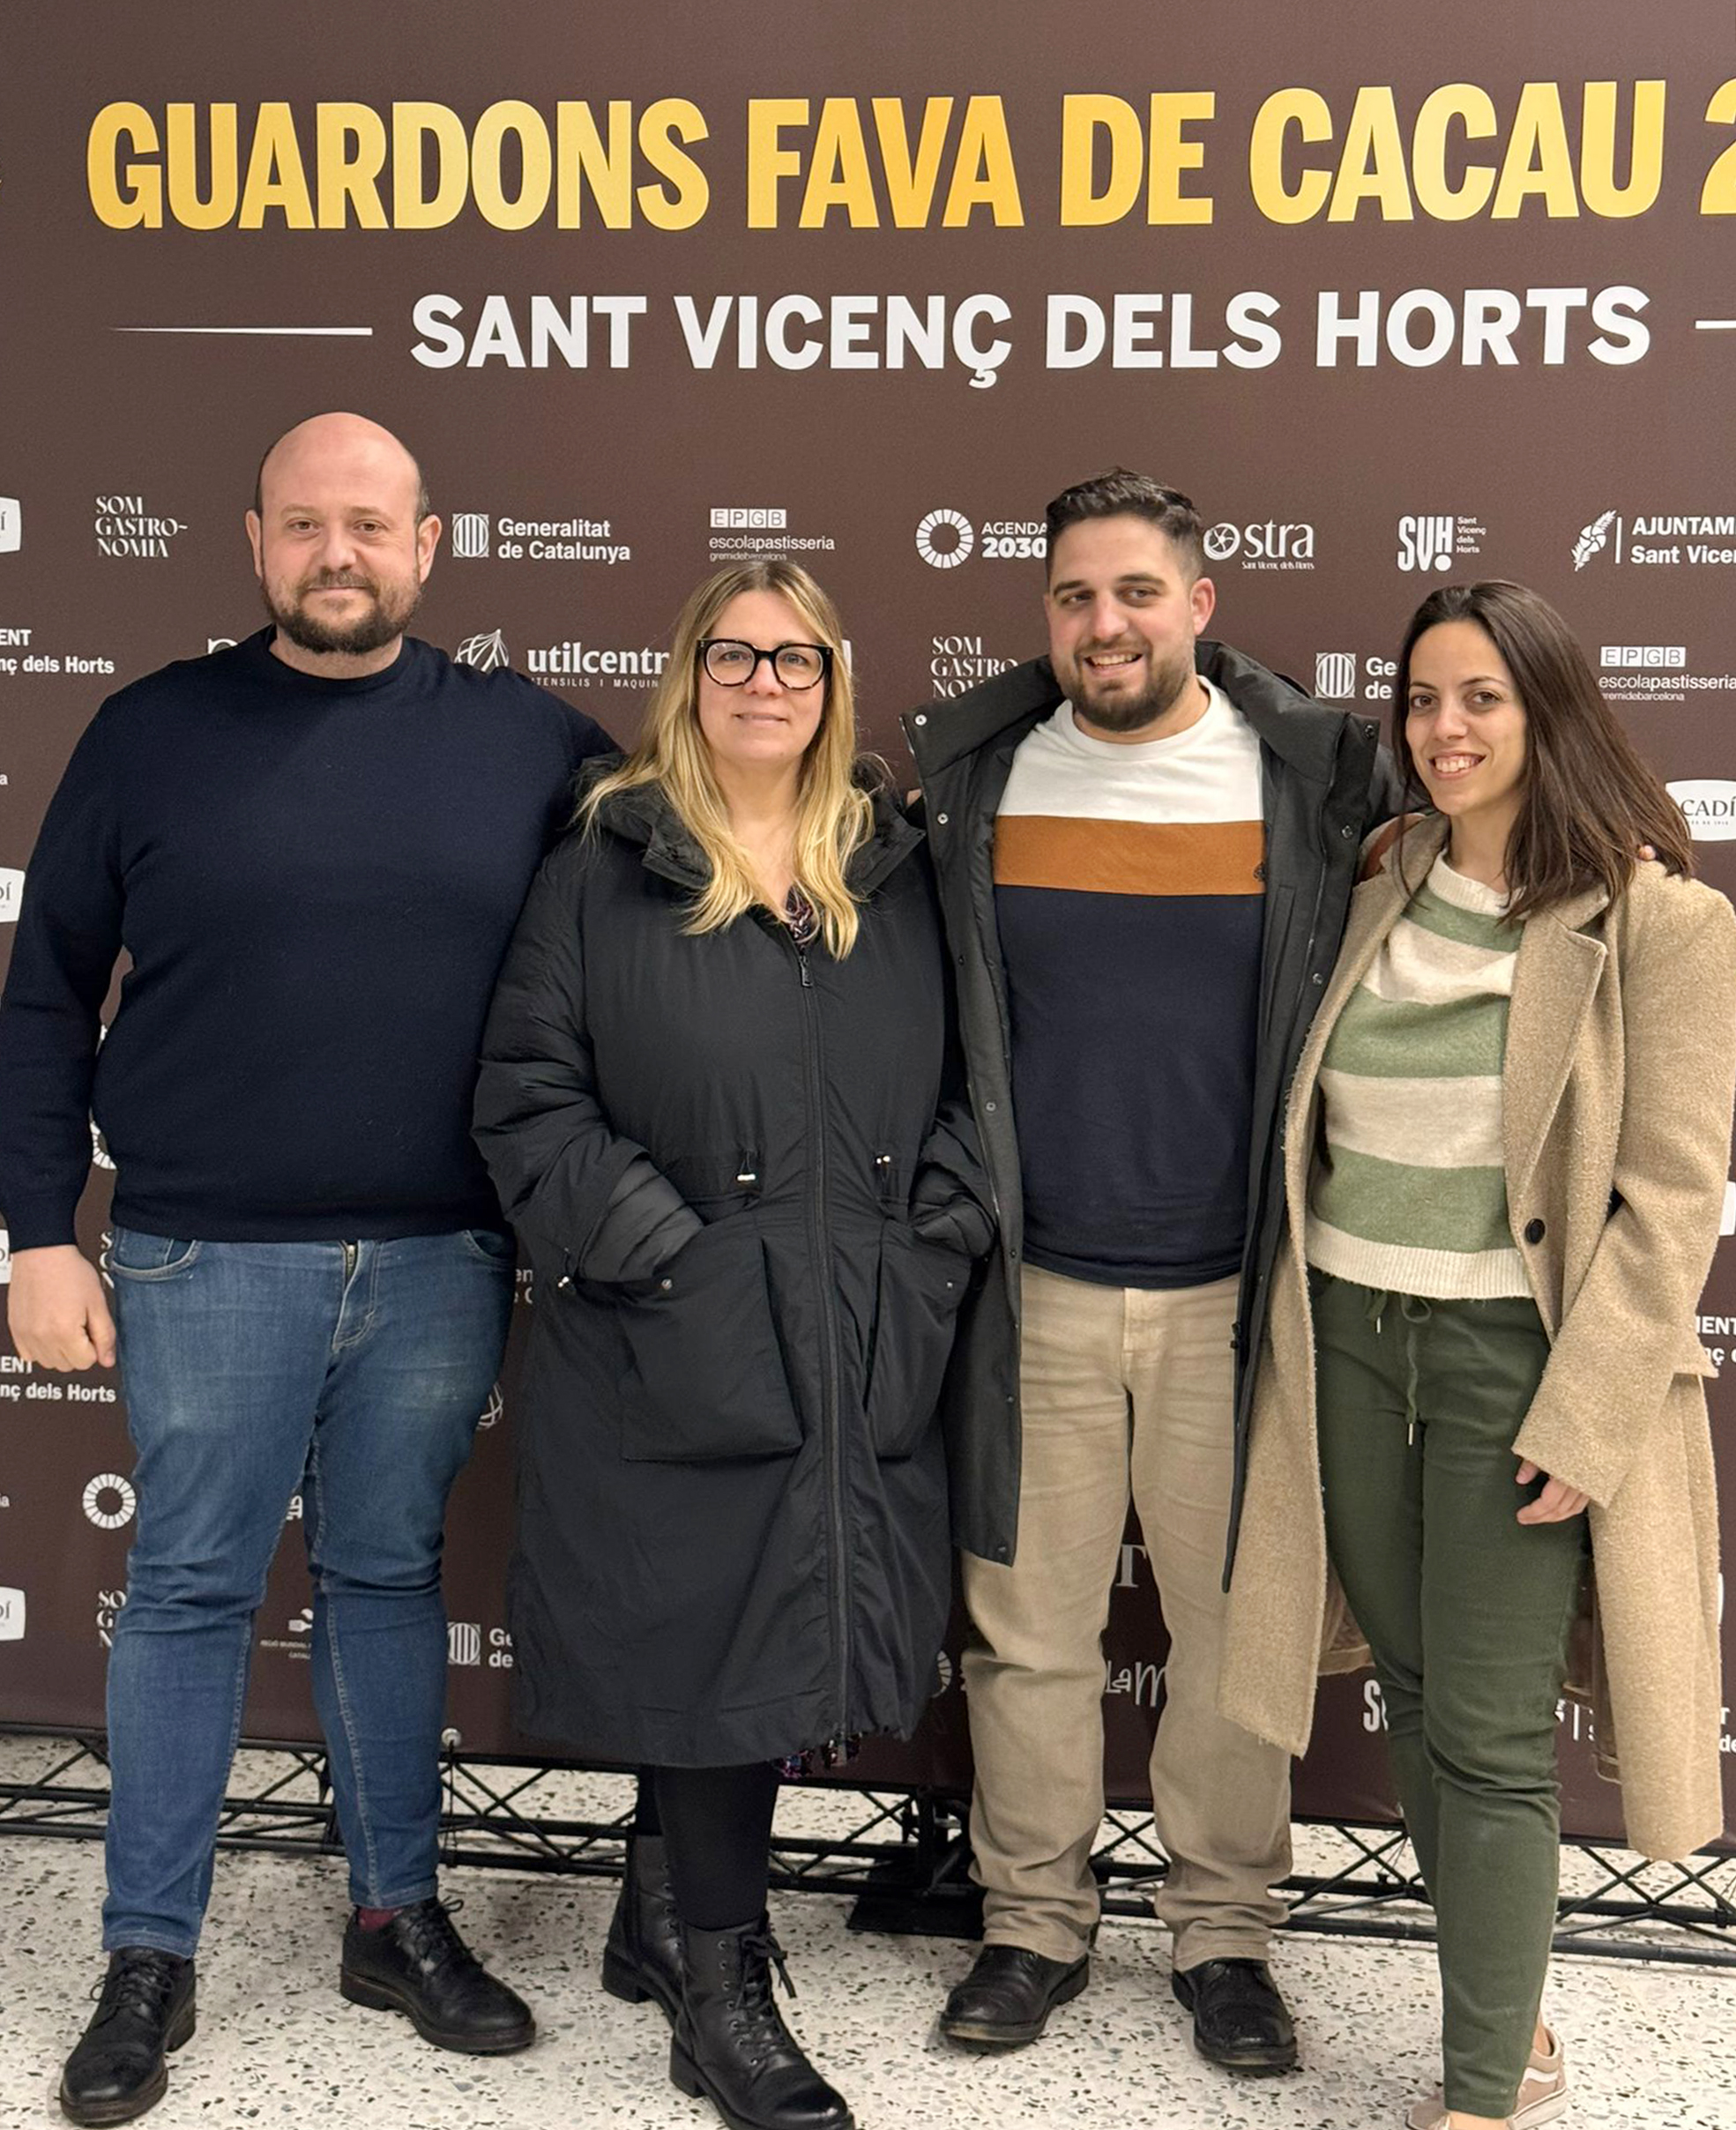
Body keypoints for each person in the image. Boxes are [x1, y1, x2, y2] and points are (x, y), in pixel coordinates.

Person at [0, 413, 615, 2126]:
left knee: (387, 1576)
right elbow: (45, 991)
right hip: (207, 1254)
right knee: (190, 1586)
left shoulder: (535, 745)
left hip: (441, 1253)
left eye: (370, 524)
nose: (336, 553)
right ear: (253, 540)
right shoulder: (150, 732)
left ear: (430, 545)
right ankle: (147, 1954)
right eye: (303, 525)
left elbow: (650, 944)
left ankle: (391, 1912)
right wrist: (35, 1230)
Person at [471, 558, 990, 2130]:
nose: (766, 683)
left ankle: (657, 1912)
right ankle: (720, 1982)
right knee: (704, 1639)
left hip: (856, 1333)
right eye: (734, 654)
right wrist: (670, 1262)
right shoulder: (602, 863)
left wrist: (935, 1243)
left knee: (764, 1637)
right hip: (666, 1330)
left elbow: (985, 1089)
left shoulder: (894, 869)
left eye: (799, 659)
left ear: (835, 685)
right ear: (689, 673)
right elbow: (527, 1095)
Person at [1220, 579, 1736, 2130]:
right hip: (1349, 1352)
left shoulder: (1660, 917)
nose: (1443, 732)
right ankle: (1506, 2023)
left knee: (1495, 1736)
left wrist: (1586, 1417)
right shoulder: (1386, 875)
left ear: (1547, 707)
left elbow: (1668, 1198)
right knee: (1426, 1700)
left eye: (1479, 700)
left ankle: (1476, 2095)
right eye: (1422, 701)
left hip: (1520, 1370)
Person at [902, 469, 1401, 2068]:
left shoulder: (1307, 779)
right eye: (1069, 597)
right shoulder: (976, 774)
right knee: (1027, 1636)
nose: (1099, 624)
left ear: (1199, 604)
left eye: (1131, 594)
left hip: (1233, 1296)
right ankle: (1029, 1927)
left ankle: (1223, 1938)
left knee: (1233, 1636)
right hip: (1030, 1289)